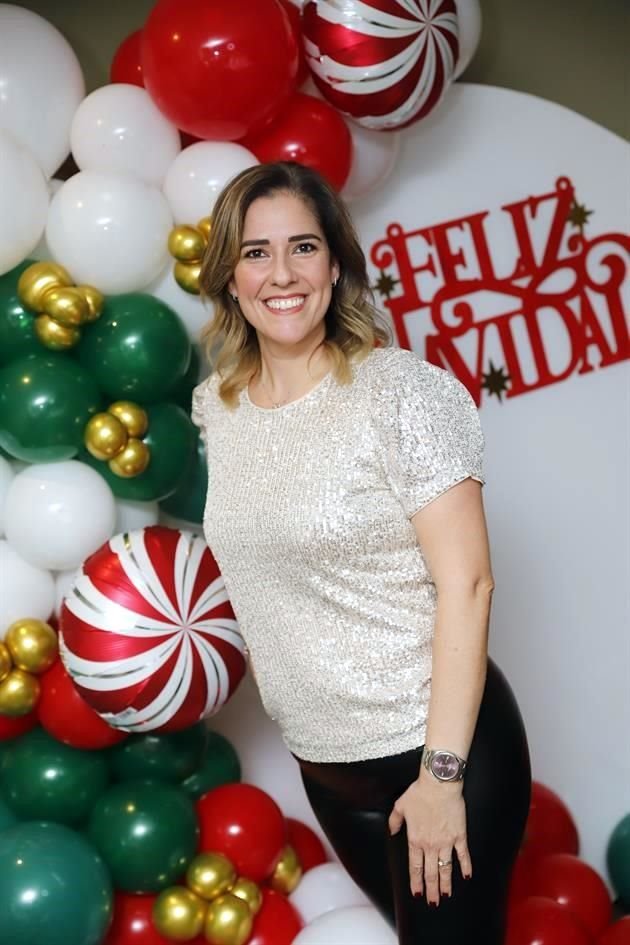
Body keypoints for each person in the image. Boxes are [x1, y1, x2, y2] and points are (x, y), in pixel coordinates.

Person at [191, 161, 531, 944]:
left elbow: (470, 584)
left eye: (303, 247)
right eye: (256, 252)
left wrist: (442, 777)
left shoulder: (401, 393)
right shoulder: (220, 406)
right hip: (329, 771)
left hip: (440, 753)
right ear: (231, 277)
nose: (282, 273)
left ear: (336, 264)